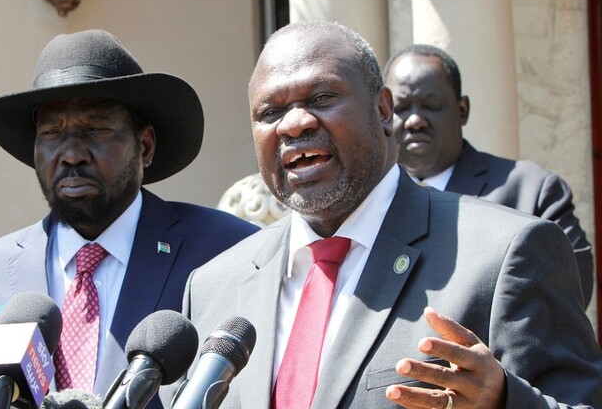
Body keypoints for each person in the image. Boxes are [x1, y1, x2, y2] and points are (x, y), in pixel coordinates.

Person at [163, 21, 602, 408]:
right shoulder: (213, 287)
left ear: (383, 110)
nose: (294, 124)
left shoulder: (505, 255)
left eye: (321, 97)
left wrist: (504, 401)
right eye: (270, 112)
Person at [0, 29, 258, 409]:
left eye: (95, 129)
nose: (71, 153)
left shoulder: (228, 252)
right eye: (51, 132)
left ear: (144, 146)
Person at [383, 44, 594, 307]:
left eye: (431, 105)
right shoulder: (370, 198)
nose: (415, 121)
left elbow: (568, 293)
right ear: (383, 114)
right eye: (401, 107)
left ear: (462, 110)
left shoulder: (532, 190)